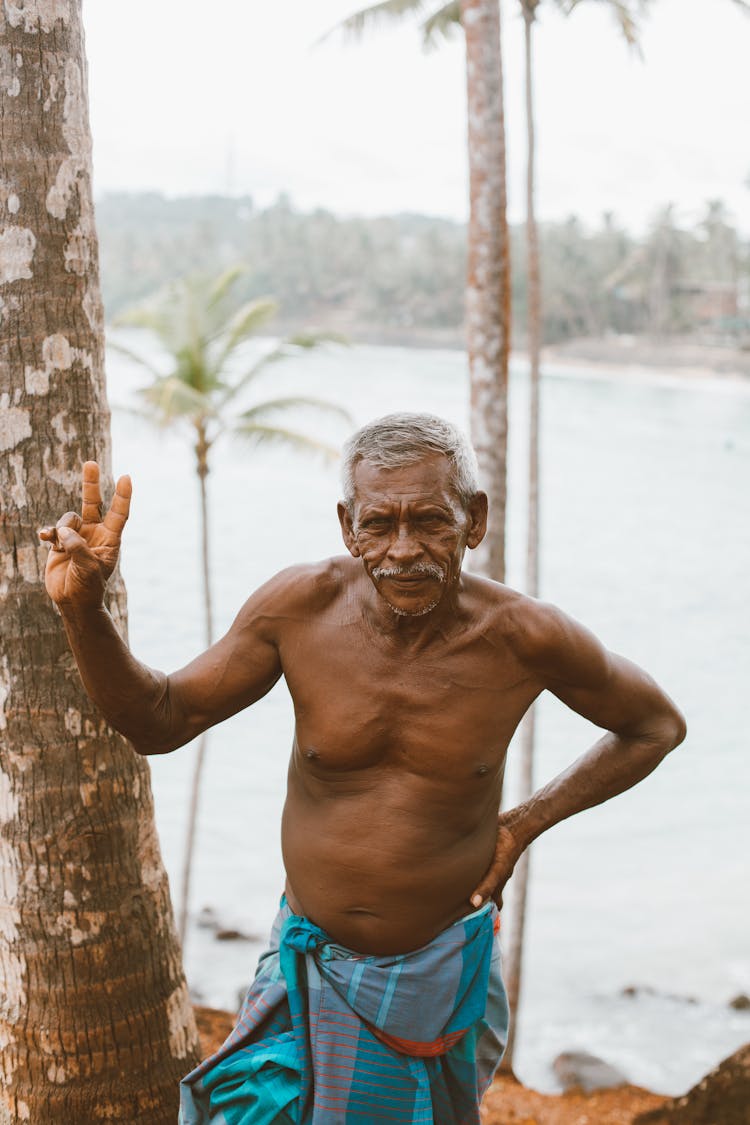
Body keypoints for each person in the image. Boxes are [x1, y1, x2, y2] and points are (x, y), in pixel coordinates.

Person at [40, 412, 686, 1125]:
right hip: (305, 968)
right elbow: (159, 719)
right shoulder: (299, 608)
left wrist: (523, 825)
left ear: (475, 520)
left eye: (430, 521)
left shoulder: (524, 636)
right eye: (379, 524)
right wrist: (83, 611)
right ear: (348, 526)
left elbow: (655, 725)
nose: (403, 550)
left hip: (435, 979)